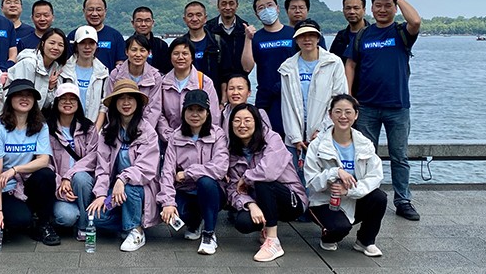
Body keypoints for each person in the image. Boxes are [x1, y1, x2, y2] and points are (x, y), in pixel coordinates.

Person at [344, 0, 421, 221]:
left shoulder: (401, 32)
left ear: (395, 8)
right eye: (378, 5)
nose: (383, 10)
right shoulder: (363, 35)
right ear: (372, 8)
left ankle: (403, 200)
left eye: (388, 5)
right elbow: (350, 64)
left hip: (397, 106)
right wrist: (348, 96)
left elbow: (416, 21)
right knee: (365, 155)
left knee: (400, 156)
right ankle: (368, 196)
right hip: (366, 106)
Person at [304, 94, 386, 257]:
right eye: (338, 112)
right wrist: (334, 173)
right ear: (330, 115)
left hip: (353, 198)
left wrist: (349, 191)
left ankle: (365, 241)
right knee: (339, 229)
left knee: (379, 197)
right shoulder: (317, 145)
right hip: (325, 201)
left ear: (356, 115)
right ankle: (328, 236)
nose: (343, 116)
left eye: (348, 112)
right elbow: (311, 181)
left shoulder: (364, 144)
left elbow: (375, 177)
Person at [226, 103, 307, 262]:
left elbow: (269, 172)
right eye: (237, 120)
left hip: (291, 200)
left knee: (262, 182)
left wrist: (246, 178)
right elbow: (233, 188)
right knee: (243, 223)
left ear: (256, 122)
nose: (242, 125)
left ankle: (273, 240)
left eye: (247, 120)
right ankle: (265, 226)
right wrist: (250, 204)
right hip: (259, 200)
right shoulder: (232, 151)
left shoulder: (272, 139)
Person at [87, 79, 160, 252]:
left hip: (140, 189)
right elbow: (103, 168)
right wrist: (101, 194)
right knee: (96, 217)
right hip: (117, 192)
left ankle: (136, 231)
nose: (126, 103)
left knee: (130, 188)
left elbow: (146, 169)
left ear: (137, 102)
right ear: (115, 103)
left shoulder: (147, 131)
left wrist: (122, 179)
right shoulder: (108, 132)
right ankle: (130, 220)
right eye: (121, 98)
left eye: (130, 98)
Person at [0, 79, 60, 246]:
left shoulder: (40, 125)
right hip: (6, 185)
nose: (24, 98)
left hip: (26, 180)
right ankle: (24, 218)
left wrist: (15, 169)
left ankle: (43, 224)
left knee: (47, 174)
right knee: (20, 220)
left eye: (29, 95)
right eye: (19, 95)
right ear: (10, 99)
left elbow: (43, 160)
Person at [158, 89, 228, 255]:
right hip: (186, 191)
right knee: (176, 212)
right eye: (190, 109)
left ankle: (209, 234)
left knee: (206, 181)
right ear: (184, 112)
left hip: (212, 191)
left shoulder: (217, 134)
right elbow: (167, 172)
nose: (195, 114)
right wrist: (168, 202)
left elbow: (220, 167)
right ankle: (195, 221)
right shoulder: (176, 136)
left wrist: (188, 173)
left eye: (200, 110)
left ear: (207, 112)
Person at [279, 19, 347, 174]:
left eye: (311, 35)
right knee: (296, 177)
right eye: (302, 36)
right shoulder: (287, 67)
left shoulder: (333, 62)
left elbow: (339, 100)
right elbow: (287, 105)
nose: (307, 39)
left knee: (326, 176)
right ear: (296, 39)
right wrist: (295, 137)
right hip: (295, 132)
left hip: (325, 131)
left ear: (318, 38)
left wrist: (322, 129)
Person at [46, 84, 98, 240]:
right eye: (63, 98)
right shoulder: (47, 129)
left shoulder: (88, 128)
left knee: (80, 177)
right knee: (66, 217)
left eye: (72, 99)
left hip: (83, 184)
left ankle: (84, 226)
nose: (68, 102)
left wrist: (68, 177)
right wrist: (60, 184)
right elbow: (45, 162)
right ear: (56, 102)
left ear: (78, 103)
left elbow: (92, 157)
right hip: (60, 187)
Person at [241, 0, 296, 140]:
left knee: (293, 139)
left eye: (269, 5)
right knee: (267, 139)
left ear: (277, 8)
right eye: (261, 8)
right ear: (257, 15)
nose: (266, 10)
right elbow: (247, 67)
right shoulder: (256, 37)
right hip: (266, 97)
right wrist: (248, 39)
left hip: (291, 94)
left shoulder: (293, 34)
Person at [157, 37, 220, 146]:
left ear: (192, 57)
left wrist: (200, 138)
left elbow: (213, 115)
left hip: (199, 142)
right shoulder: (162, 83)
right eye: (176, 53)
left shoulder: (204, 82)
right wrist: (170, 136)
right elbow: (158, 113)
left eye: (185, 54)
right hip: (169, 142)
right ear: (170, 56)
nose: (180, 57)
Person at [105, 34, 163, 130]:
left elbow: (153, 109)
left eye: (142, 50)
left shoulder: (155, 76)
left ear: (149, 53)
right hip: (118, 128)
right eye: (134, 50)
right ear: (126, 52)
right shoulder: (115, 74)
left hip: (145, 129)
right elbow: (110, 105)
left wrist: (141, 131)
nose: (138, 54)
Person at [59, 26, 108, 128]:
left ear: (96, 46)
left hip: (93, 127)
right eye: (82, 43)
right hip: (66, 127)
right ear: (76, 46)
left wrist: (95, 131)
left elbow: (103, 105)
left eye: (91, 43)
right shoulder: (63, 71)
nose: (87, 47)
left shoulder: (103, 73)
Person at [180, 1, 229, 102]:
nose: (194, 19)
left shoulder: (217, 42)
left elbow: (226, 74)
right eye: (190, 15)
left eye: (199, 15)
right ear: (184, 19)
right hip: (187, 100)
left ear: (205, 18)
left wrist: (223, 101)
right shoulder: (179, 44)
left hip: (214, 98)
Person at [8, 28, 68, 109]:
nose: (56, 47)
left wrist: (49, 88)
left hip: (33, 113)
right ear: (43, 43)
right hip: (13, 112)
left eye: (60, 45)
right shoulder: (28, 63)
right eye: (52, 43)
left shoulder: (55, 68)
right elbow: (21, 96)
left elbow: (44, 104)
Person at [66, 0, 126, 72]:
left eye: (98, 10)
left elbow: (121, 64)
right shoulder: (74, 35)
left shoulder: (115, 36)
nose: (94, 14)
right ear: (84, 11)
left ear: (105, 11)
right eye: (90, 9)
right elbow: (66, 62)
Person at [206, 0, 250, 88]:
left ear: (237, 5)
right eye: (223, 4)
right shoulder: (208, 29)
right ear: (218, 6)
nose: (227, 7)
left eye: (231, 3)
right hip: (214, 84)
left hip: (239, 84)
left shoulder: (245, 29)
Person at [221, 73, 271, 138]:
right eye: (231, 88)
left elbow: (269, 138)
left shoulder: (259, 113)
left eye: (240, 88)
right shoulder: (221, 114)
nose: (235, 92)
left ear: (249, 92)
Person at [330, 0, 370, 65]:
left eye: (356, 8)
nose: (352, 12)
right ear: (343, 10)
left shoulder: (372, 34)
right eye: (348, 8)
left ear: (364, 10)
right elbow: (332, 61)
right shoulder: (340, 37)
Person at [130, 6, 171, 74]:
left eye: (147, 21)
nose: (143, 24)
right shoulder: (126, 45)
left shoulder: (161, 46)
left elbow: (167, 70)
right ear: (133, 23)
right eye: (139, 20)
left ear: (153, 23)